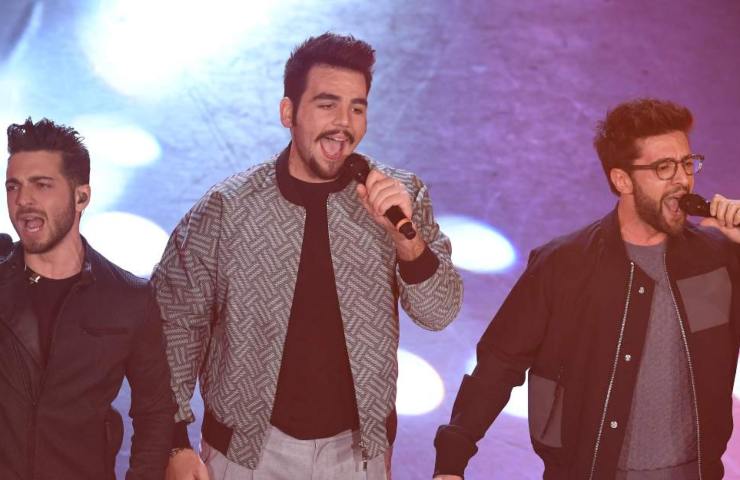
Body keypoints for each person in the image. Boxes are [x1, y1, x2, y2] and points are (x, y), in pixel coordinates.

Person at [153, 32, 463, 480]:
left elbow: (440, 312)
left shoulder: (400, 196)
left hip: (359, 456)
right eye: (326, 104)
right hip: (247, 454)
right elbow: (174, 326)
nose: (344, 123)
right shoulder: (228, 209)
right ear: (288, 113)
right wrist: (174, 441)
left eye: (357, 108)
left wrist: (406, 241)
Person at [434, 98, 740, 480]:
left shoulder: (717, 259)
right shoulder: (563, 265)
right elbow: (499, 364)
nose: (683, 179)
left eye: (687, 163)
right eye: (664, 167)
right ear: (622, 180)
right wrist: (452, 461)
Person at [0, 118, 176, 479]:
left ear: (81, 196)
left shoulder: (128, 298)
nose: (23, 200)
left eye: (41, 185)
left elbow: (155, 414)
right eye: (13, 186)